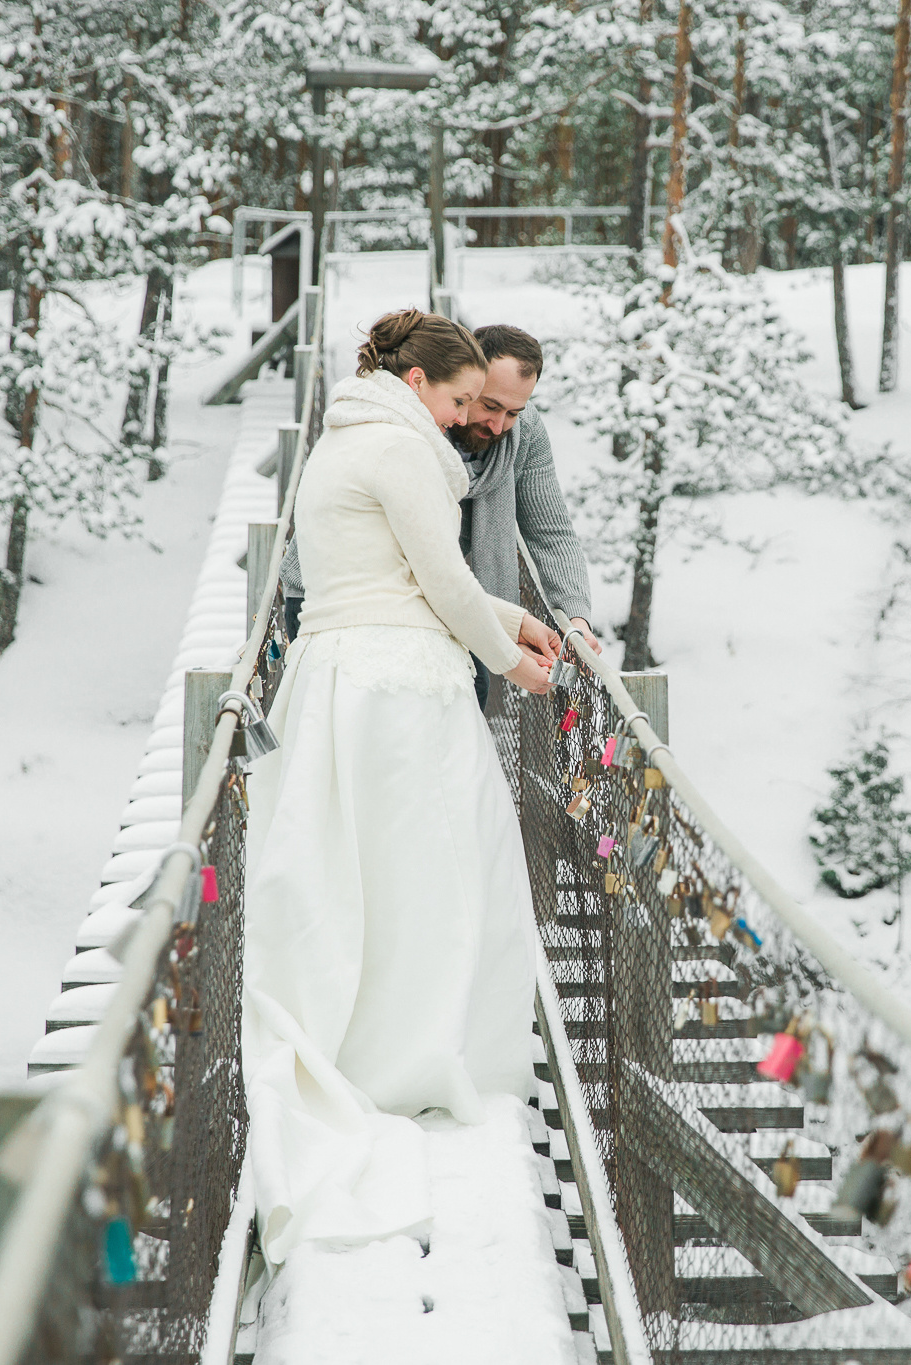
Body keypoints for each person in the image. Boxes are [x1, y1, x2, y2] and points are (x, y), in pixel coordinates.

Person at [241, 309, 562, 1263]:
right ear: (418, 384)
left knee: (357, 874)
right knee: (436, 875)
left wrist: (510, 616)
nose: (467, 418)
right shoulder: (403, 448)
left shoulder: (349, 437)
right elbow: (443, 580)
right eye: (461, 400)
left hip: (339, 674)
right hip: (397, 687)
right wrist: (511, 657)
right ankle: (415, 1057)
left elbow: (405, 572)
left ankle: (371, 1046)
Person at [448, 324, 597, 707]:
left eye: (514, 412)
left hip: (463, 603)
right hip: (357, 602)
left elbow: (551, 533)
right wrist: (511, 648)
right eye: (490, 406)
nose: (498, 425)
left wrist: (576, 620)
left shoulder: (525, 433)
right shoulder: (420, 428)